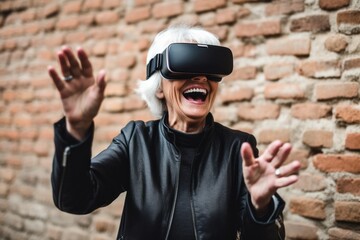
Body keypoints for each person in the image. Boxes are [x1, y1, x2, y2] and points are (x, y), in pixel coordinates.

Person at [48, 25, 301, 240]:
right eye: (186, 64)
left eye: (209, 69)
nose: (201, 77)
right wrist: (76, 130)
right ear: (159, 88)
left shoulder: (238, 149)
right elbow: (75, 199)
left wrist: (260, 207)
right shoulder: (136, 141)